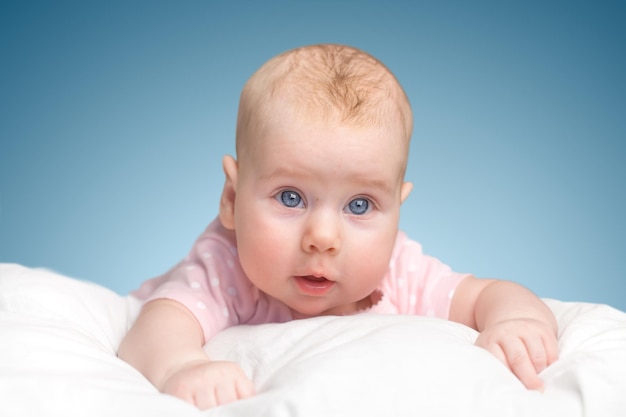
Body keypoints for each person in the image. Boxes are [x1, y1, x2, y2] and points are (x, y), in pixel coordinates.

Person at [118, 43, 559, 410]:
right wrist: (182, 367)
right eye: (291, 198)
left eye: (361, 205)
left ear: (397, 209)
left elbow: (486, 295)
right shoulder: (226, 262)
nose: (324, 239)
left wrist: (516, 320)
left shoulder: (396, 272)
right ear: (231, 200)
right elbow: (158, 326)